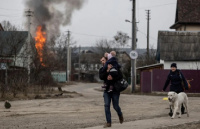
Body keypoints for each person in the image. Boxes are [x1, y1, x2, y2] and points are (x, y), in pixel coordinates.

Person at [99, 56, 124, 128]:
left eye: (103, 60)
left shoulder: (116, 68)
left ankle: (120, 114)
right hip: (107, 90)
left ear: (107, 61)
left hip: (115, 90)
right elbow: (101, 77)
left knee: (115, 106)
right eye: (101, 61)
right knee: (106, 105)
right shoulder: (102, 69)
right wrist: (107, 71)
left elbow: (120, 76)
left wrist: (113, 77)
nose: (102, 62)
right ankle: (108, 122)